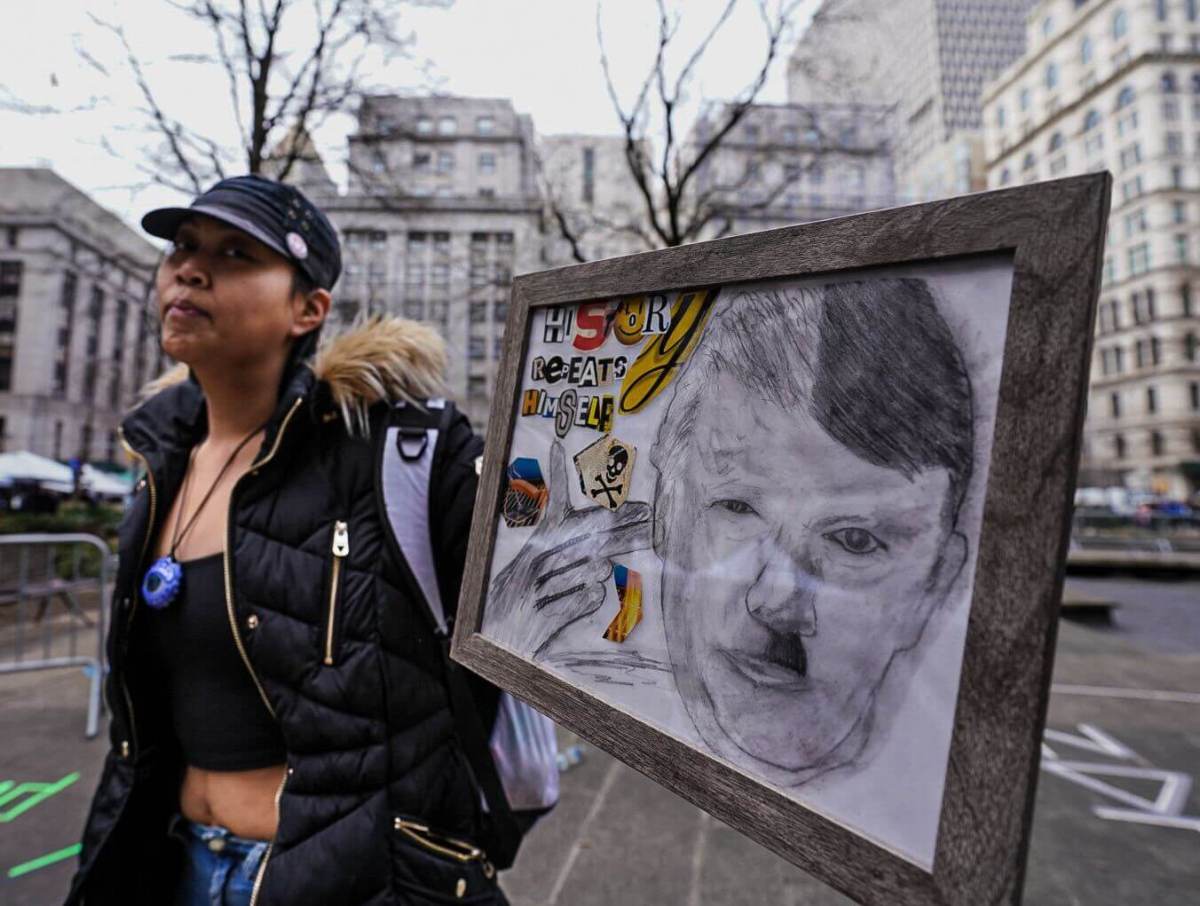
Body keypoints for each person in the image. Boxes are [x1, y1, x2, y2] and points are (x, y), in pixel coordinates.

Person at [66, 175, 502, 906]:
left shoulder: (400, 452)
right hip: (166, 861)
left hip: (335, 878)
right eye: (182, 247)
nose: (190, 269)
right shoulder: (157, 460)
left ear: (310, 309)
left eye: (236, 253)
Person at [485, 277, 975, 787]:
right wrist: (499, 639)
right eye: (738, 506)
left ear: (936, 584)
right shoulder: (574, 656)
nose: (777, 599)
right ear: (666, 512)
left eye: (854, 539)